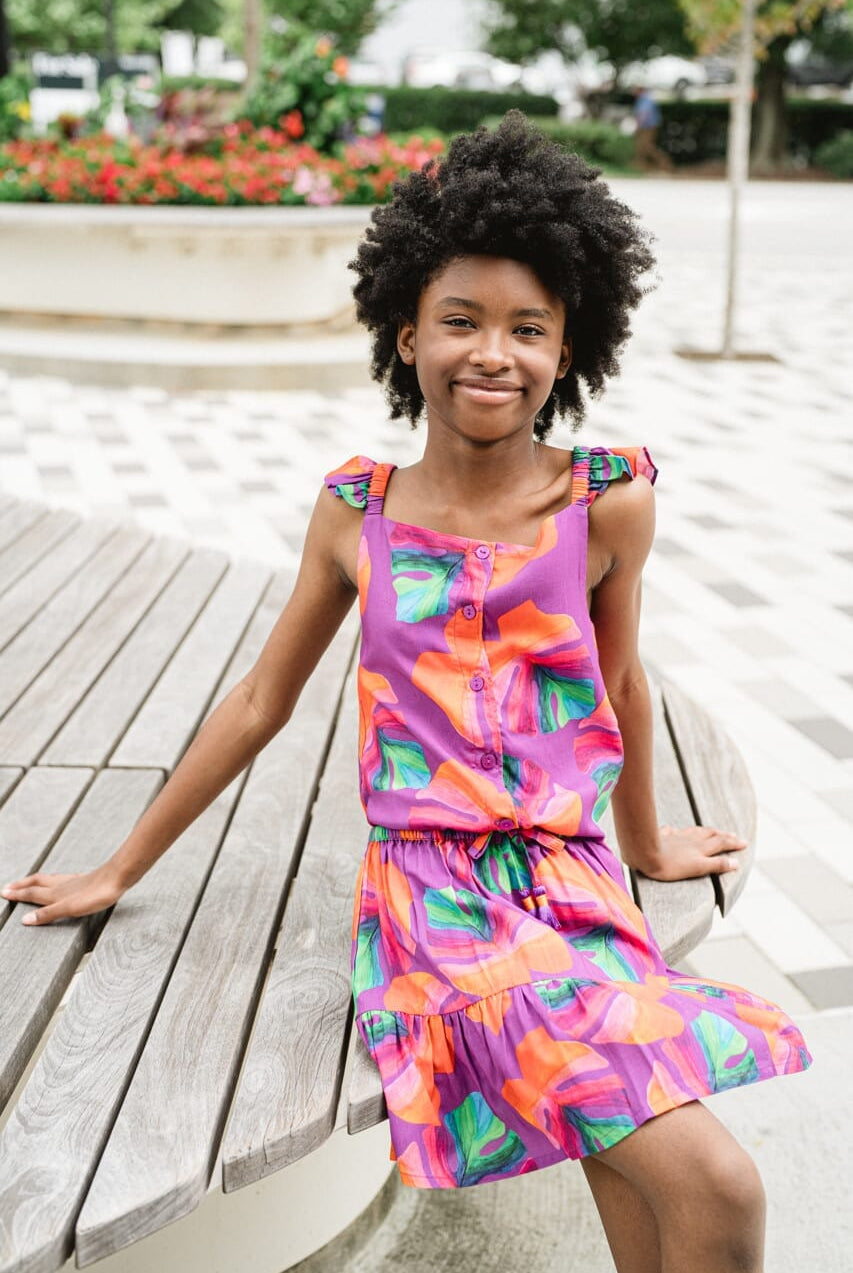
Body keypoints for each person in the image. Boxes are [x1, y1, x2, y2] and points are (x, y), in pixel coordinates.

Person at [2, 113, 811, 1272]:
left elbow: (618, 682)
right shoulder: (357, 509)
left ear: (570, 345)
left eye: (528, 327)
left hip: (571, 874)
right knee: (717, 1185)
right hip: (435, 899)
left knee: (659, 1175)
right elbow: (257, 702)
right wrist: (119, 866)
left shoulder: (609, 500)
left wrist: (644, 846)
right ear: (406, 334)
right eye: (461, 321)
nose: (495, 353)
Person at [632, 84, 675, 173]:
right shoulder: (643, 99)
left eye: (634, 90)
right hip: (646, 126)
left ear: (640, 90)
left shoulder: (646, 99)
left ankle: (665, 164)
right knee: (640, 146)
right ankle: (641, 167)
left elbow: (645, 114)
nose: (633, 92)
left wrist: (638, 126)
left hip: (649, 127)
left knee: (647, 146)